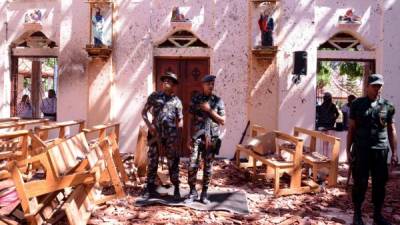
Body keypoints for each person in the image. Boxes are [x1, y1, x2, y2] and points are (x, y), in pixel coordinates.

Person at [347, 74, 398, 225]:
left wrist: (394, 153)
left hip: (380, 151)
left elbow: (392, 130)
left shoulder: (388, 106)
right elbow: (351, 129)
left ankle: (377, 215)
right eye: (374, 86)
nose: (377, 89)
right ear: (367, 86)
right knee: (360, 183)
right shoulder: (357, 104)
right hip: (361, 150)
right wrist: (348, 151)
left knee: (379, 184)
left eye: (379, 86)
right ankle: (357, 215)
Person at [141, 72, 183, 200]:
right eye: (164, 80)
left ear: (174, 85)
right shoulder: (154, 96)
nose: (166, 82)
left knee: (173, 162)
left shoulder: (177, 101)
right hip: (155, 135)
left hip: (171, 137)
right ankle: (150, 189)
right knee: (153, 161)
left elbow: (180, 119)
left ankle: (176, 188)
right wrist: (149, 125)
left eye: (169, 81)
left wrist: (179, 134)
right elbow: (143, 113)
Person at [186, 75, 225, 204]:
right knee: (192, 165)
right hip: (197, 136)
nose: (210, 86)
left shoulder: (218, 101)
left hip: (211, 138)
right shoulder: (196, 99)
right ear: (202, 85)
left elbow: (222, 120)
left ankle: (204, 194)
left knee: (208, 167)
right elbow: (190, 119)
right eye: (208, 83)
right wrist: (188, 137)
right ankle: (192, 192)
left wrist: (210, 110)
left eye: (212, 84)